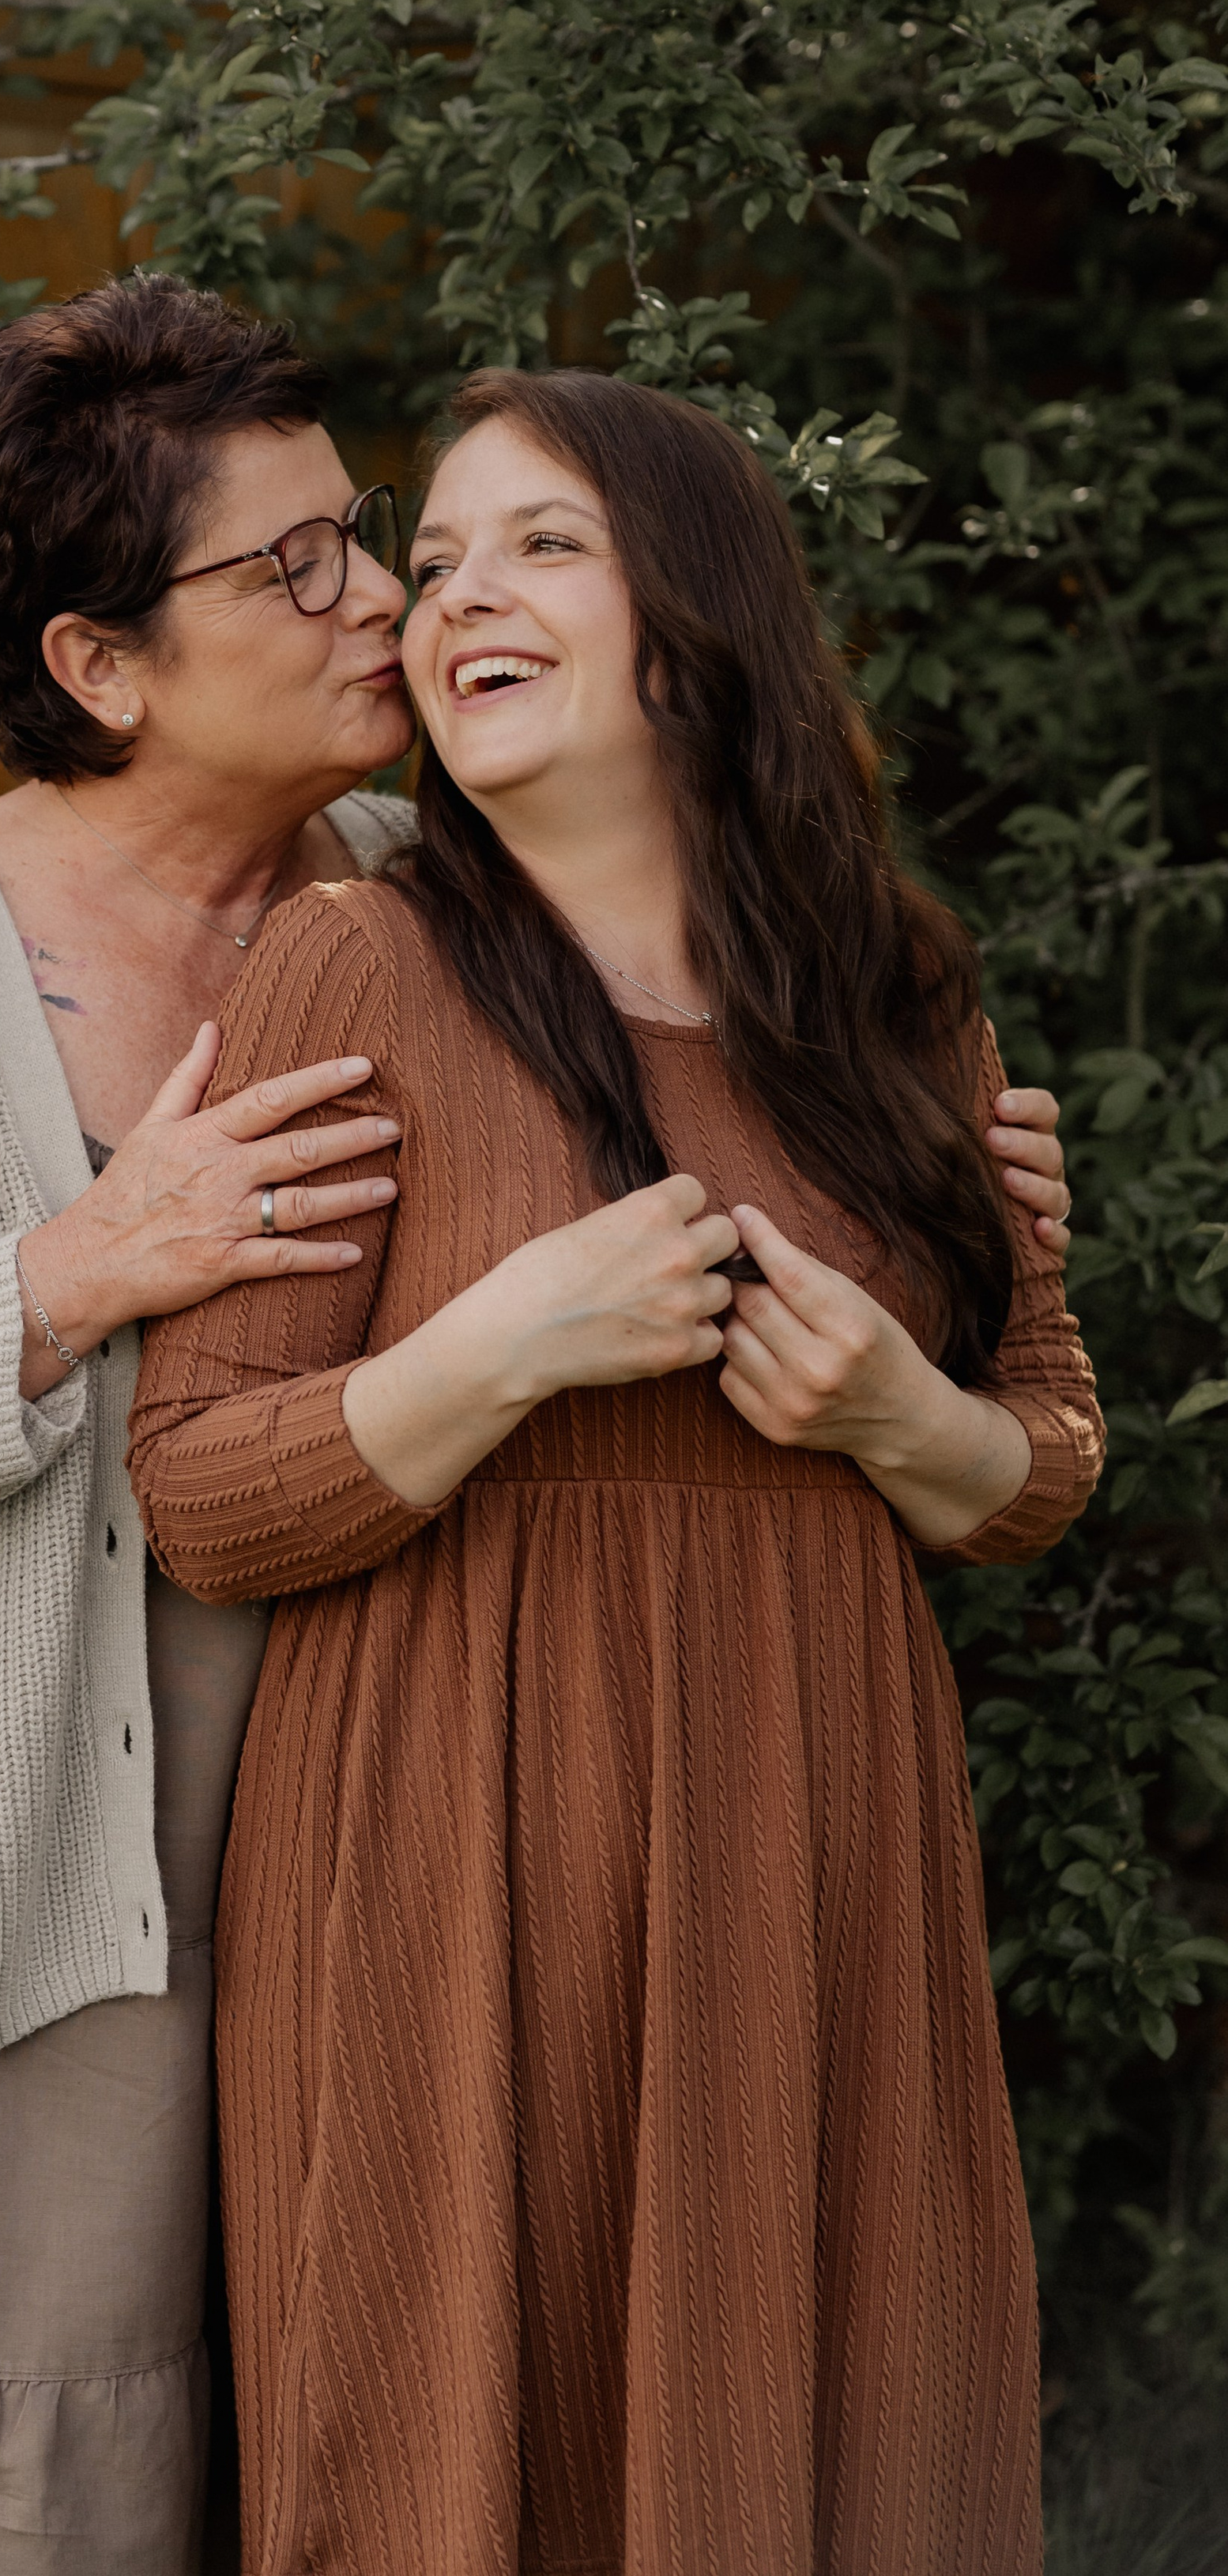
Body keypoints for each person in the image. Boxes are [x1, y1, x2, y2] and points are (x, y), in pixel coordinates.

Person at [0, 284, 1075, 2576]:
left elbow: (744, 1121)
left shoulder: (423, 888)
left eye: (365, 536)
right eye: (296, 567)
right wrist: (79, 1266)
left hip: (366, 1869)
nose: (387, 595)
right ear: (103, 664)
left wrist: (928, 1197)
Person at [128, 367, 1103, 2576]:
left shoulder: (896, 1000)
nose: (460, 589)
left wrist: (894, 1418)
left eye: (538, 542)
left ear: (698, 608)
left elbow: (1038, 1452)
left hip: (809, 1840)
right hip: (448, 1849)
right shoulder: (350, 962)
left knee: (805, 2435)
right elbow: (198, 1488)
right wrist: (503, 1348)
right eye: (440, 556)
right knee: (457, 2448)